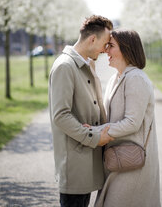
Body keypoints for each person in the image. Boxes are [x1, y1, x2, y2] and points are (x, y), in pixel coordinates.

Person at [48, 15, 114, 207]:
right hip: (75, 164)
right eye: (104, 43)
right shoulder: (64, 66)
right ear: (92, 39)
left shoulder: (87, 63)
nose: (105, 49)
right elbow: (60, 116)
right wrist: (92, 136)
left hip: (87, 160)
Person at [92, 29, 161, 207]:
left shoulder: (136, 78)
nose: (106, 50)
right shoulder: (117, 78)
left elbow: (132, 122)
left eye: (111, 46)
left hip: (132, 162)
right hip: (117, 159)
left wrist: (97, 132)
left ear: (126, 49)